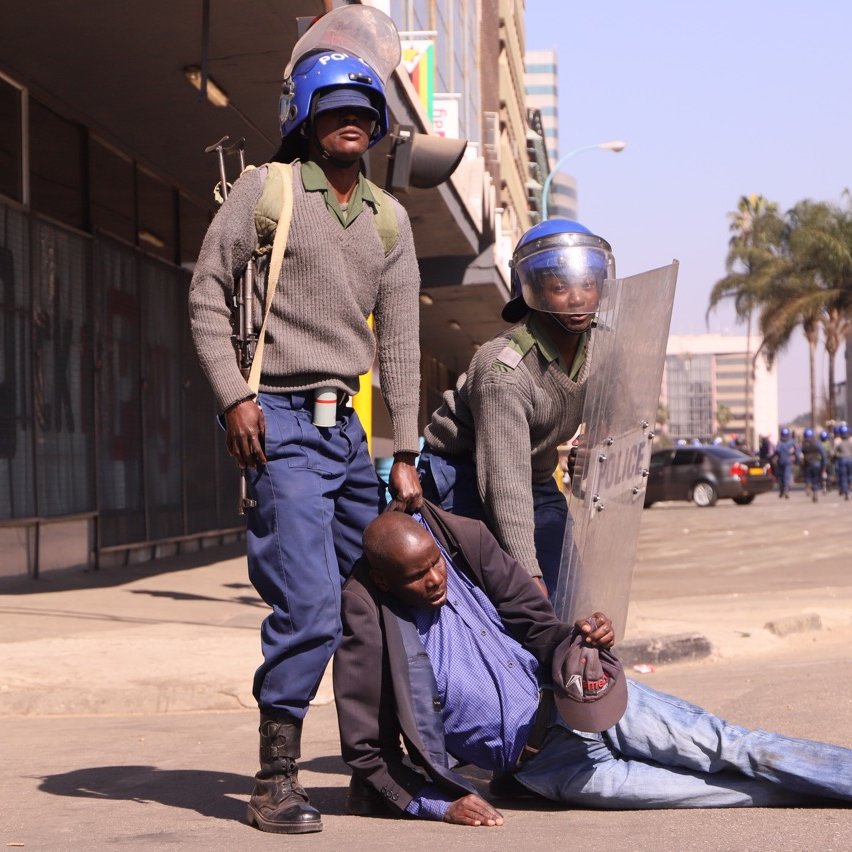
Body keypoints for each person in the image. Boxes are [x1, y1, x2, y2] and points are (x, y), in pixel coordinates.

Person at [188, 47, 422, 834]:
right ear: (308, 119)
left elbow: (401, 344)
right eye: (334, 109)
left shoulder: (390, 217)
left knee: (376, 595)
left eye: (363, 109)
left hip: (346, 432)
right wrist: (234, 400)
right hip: (276, 424)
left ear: (380, 122)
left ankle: (372, 767)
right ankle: (274, 778)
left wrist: (406, 454)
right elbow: (206, 298)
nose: (350, 121)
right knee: (311, 603)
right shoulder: (268, 191)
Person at [333, 508, 852, 825]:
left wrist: (584, 639)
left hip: (583, 699)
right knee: (718, 792)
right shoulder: (374, 628)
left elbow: (542, 627)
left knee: (732, 746)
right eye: (416, 575)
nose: (434, 579)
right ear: (384, 582)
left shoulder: (459, 544)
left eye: (433, 563)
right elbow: (367, 751)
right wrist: (437, 804)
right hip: (549, 766)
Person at [417, 219, 615, 596]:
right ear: (533, 292)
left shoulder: (602, 348)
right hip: (463, 479)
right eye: (559, 288)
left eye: (587, 284)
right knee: (495, 605)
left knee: (568, 594)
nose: (577, 298)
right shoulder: (503, 370)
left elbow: (619, 408)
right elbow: (502, 481)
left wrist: (597, 443)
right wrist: (529, 574)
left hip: (536, 477)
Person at [800, 428, 826, 503]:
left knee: (808, 477)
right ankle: (815, 492)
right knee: (815, 479)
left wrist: (799, 462)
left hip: (807, 464)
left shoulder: (803, 445)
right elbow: (823, 454)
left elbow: (799, 454)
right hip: (816, 464)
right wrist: (823, 464)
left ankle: (808, 485)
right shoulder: (817, 443)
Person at [773, 427, 799, 499]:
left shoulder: (780, 442)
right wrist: (797, 460)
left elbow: (776, 451)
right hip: (788, 461)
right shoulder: (791, 442)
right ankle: (786, 490)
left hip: (781, 461)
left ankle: (782, 490)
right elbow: (797, 452)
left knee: (781, 477)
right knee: (786, 476)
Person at [834, 424, 852, 500]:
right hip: (850, 460)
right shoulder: (851, 441)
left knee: (843, 477)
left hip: (842, 460)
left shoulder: (838, 442)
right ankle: (850, 484)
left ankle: (846, 493)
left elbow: (834, 452)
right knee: (850, 475)